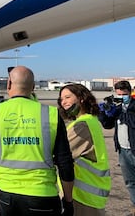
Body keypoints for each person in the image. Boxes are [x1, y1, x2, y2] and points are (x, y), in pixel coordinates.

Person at [0, 66, 74, 216]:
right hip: (43, 195)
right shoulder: (51, 114)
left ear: (8, 84)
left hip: (8, 195)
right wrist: (68, 201)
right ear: (33, 87)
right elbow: (65, 162)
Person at [58, 84, 111, 216]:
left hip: (83, 197)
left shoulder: (83, 125)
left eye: (68, 97)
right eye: (61, 99)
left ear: (81, 98)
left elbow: (60, 153)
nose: (64, 102)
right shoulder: (88, 120)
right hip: (89, 195)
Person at [98, 80, 135, 215]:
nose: (121, 97)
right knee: (130, 182)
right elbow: (108, 125)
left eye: (123, 94)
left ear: (130, 93)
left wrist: (123, 113)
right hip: (123, 150)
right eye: (118, 94)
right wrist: (103, 112)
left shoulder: (132, 106)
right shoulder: (118, 107)